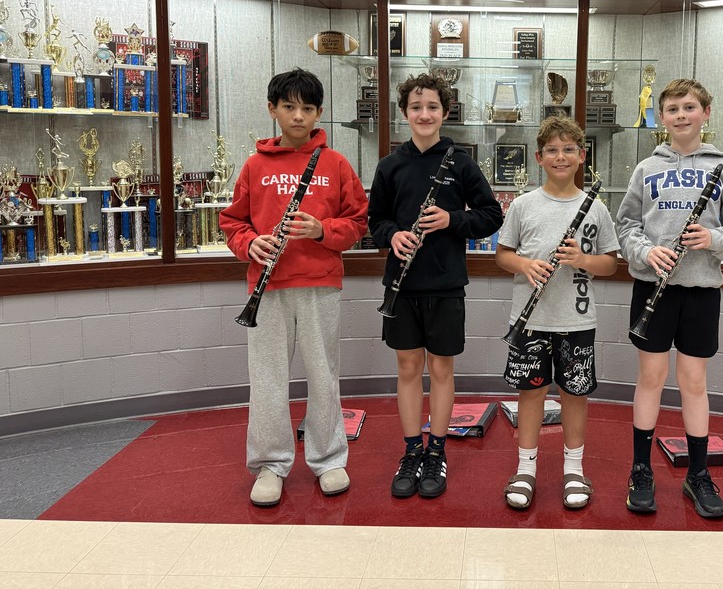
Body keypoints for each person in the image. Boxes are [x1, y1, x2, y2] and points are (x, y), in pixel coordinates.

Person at [220, 67, 369, 507]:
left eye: (307, 108)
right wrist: (252, 244)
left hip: (320, 284)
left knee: (324, 374)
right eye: (289, 107)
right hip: (267, 288)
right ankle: (270, 464)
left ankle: (328, 458)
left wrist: (321, 230)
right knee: (266, 378)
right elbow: (232, 223)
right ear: (273, 110)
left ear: (319, 112)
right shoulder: (254, 165)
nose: (298, 116)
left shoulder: (335, 163)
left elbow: (357, 222)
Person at [616, 78, 723, 518]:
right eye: (672, 109)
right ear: (661, 117)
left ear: (706, 113)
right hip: (652, 287)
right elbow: (626, 227)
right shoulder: (646, 169)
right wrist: (644, 250)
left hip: (699, 291)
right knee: (651, 379)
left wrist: (712, 238)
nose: (680, 115)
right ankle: (641, 469)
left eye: (689, 107)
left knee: (694, 383)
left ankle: (698, 475)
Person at [368, 72, 503, 499]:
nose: (424, 114)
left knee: (441, 369)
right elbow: (375, 221)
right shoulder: (390, 165)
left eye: (432, 107)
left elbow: (491, 215)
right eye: (415, 107)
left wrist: (452, 220)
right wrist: (392, 235)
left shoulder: (460, 162)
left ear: (445, 112)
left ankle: (437, 451)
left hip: (445, 283)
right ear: (404, 112)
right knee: (408, 368)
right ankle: (412, 450)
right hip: (401, 285)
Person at [496, 116, 618, 510]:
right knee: (530, 393)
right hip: (530, 319)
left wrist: (582, 258)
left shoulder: (595, 208)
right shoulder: (523, 205)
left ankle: (574, 469)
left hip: (577, 320)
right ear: (539, 158)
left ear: (582, 157)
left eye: (568, 150)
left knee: (574, 395)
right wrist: (526, 265)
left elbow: (611, 265)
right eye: (552, 150)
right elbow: (503, 254)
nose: (560, 156)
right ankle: (526, 468)